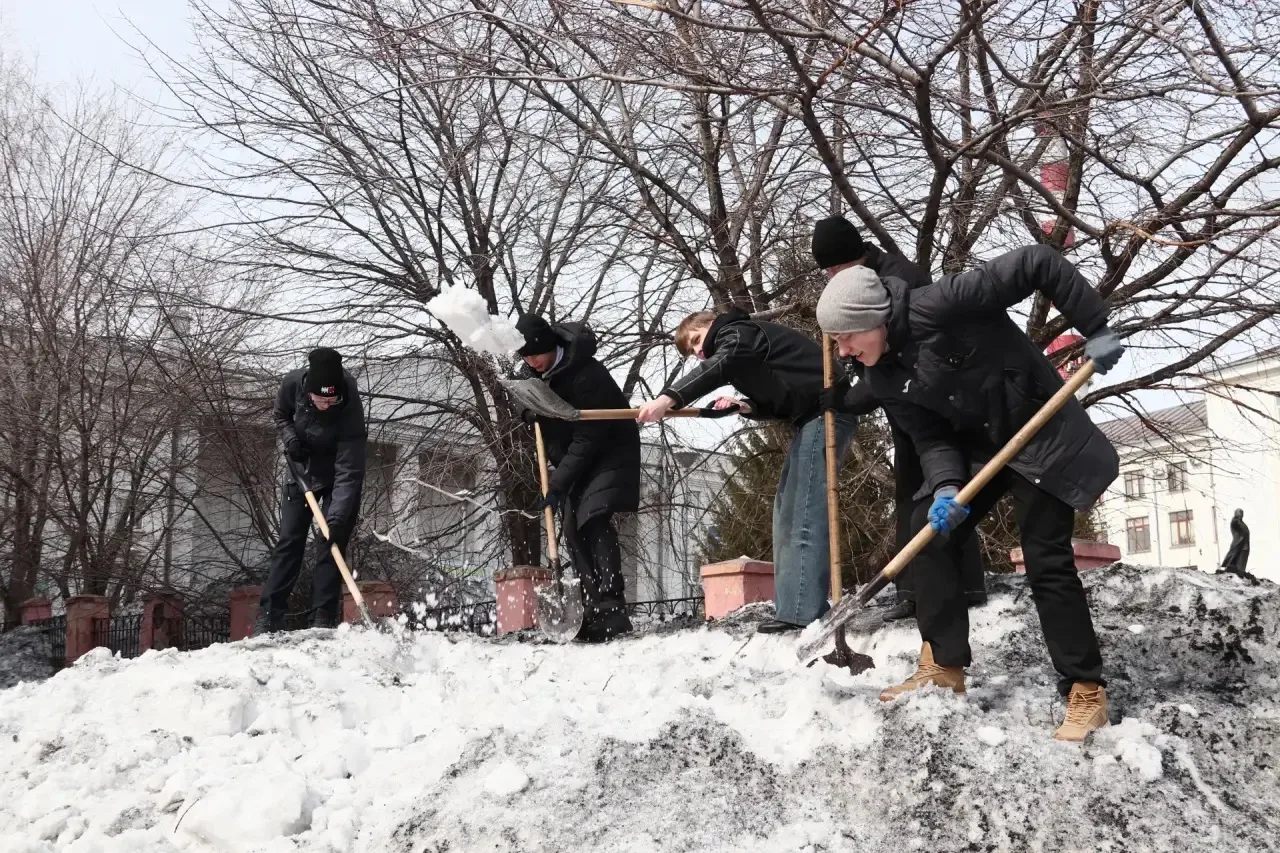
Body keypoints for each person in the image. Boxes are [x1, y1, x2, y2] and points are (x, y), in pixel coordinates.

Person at [815, 245, 1125, 741]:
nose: (843, 352)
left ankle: (1085, 689)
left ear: (873, 319)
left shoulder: (942, 303)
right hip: (982, 448)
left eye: (846, 337)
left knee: (1045, 558)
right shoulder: (883, 376)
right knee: (926, 529)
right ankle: (944, 665)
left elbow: (1037, 262)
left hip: (1041, 435)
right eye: (837, 342)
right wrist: (945, 487)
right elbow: (931, 437)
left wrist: (1096, 326)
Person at [636, 308, 856, 633]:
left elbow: (721, 363)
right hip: (809, 419)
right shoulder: (742, 350)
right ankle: (793, 609)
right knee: (786, 512)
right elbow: (780, 402)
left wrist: (668, 399)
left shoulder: (738, 334)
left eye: (696, 340)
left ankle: (802, 614)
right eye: (692, 351)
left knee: (804, 510)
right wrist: (744, 406)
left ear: (711, 324)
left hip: (827, 412)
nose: (698, 351)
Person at [812, 215, 987, 621]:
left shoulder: (898, 278)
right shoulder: (858, 280)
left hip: (924, 399)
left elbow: (897, 359)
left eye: (835, 267)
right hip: (900, 399)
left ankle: (942, 588)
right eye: (828, 271)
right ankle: (918, 589)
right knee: (915, 490)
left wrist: (849, 398)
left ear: (853, 255)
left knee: (929, 490)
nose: (832, 276)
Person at [516, 314, 641, 642]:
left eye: (536, 355)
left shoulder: (587, 373)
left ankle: (613, 609)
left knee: (593, 520)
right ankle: (592, 607)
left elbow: (589, 437)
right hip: (575, 455)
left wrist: (558, 484)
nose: (531, 362)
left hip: (609, 450)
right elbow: (522, 393)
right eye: (526, 357)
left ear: (550, 346)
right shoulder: (532, 371)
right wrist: (527, 411)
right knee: (572, 529)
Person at [256, 347, 367, 634]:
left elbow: (349, 469)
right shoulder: (292, 384)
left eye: (331, 400)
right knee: (289, 542)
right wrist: (291, 440)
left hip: (338, 477)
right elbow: (281, 415)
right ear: (308, 392)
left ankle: (322, 618)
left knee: (332, 541)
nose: (326, 406)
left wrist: (337, 518)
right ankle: (269, 616)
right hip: (302, 470)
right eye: (320, 399)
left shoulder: (349, 402)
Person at [1218, 509, 1251, 578]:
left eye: (1242, 513)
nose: (1241, 514)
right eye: (1240, 513)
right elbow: (1238, 527)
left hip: (1244, 546)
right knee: (1235, 562)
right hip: (1239, 545)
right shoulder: (1235, 521)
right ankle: (1235, 573)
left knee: (1241, 564)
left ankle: (1239, 574)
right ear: (1236, 513)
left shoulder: (1241, 522)